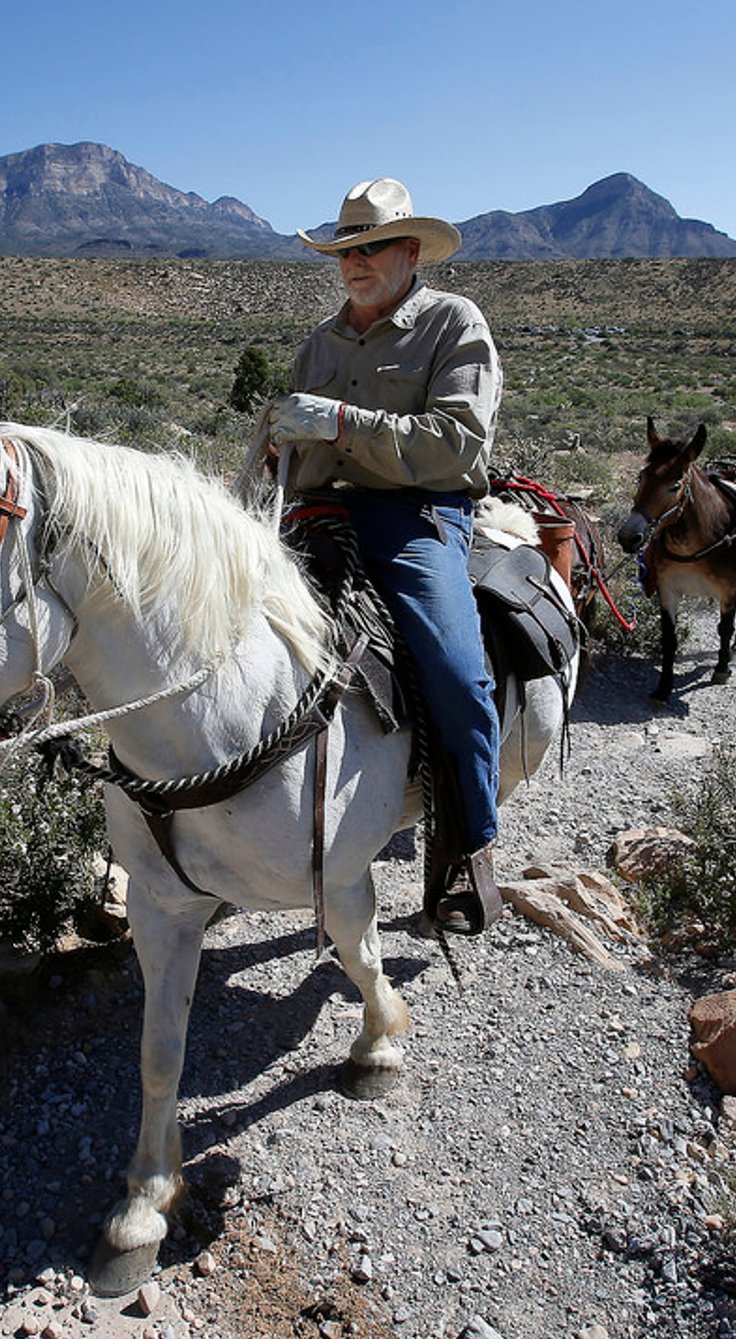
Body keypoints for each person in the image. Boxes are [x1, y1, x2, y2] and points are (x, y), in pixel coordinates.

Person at [262, 177, 504, 933]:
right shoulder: (319, 343)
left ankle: (468, 842)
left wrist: (339, 421)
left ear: (409, 251)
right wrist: (281, 448)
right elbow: (296, 453)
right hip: (314, 512)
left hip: (414, 515)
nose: (355, 263)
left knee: (455, 669)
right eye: (344, 250)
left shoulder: (453, 326)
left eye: (369, 248)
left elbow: (457, 446)